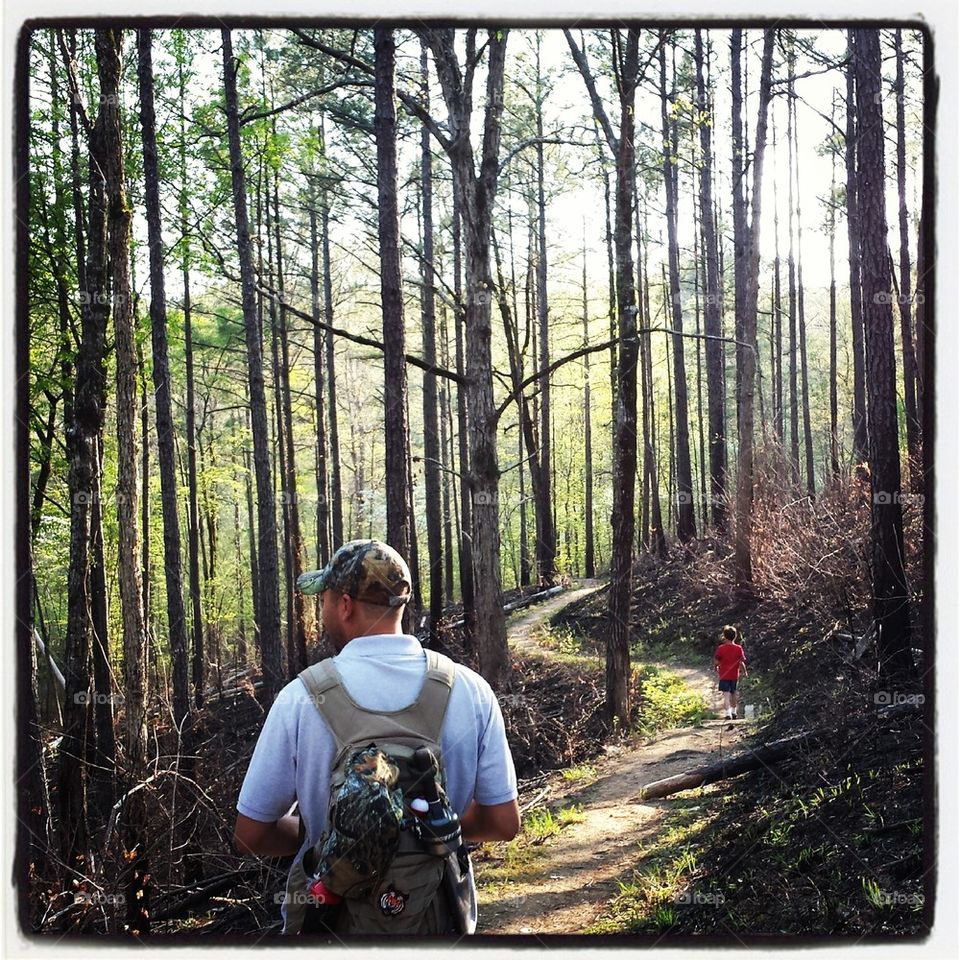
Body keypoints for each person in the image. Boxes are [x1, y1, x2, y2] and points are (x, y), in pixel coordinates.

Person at [233, 539, 520, 935]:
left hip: (334, 929)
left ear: (345, 605)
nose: (323, 611)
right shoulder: (469, 690)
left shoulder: (301, 698)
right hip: (440, 926)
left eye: (326, 600)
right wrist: (424, 828)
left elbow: (251, 835)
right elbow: (502, 823)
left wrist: (340, 830)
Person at [714, 624, 748, 720]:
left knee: (726, 695)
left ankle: (728, 713)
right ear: (735, 636)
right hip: (734, 675)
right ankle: (734, 712)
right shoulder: (738, 648)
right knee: (733, 693)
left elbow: (716, 661)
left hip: (724, 675)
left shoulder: (721, 648)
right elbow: (741, 662)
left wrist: (716, 667)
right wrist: (744, 672)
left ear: (724, 636)